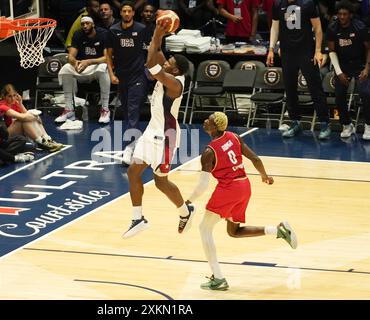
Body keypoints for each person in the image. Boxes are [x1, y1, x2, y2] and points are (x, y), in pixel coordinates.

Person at [185, 112, 297, 290]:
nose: (206, 121)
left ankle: (218, 278)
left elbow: (203, 186)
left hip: (228, 190)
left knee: (204, 229)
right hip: (244, 187)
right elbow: (255, 158)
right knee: (234, 231)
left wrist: (188, 200)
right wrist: (264, 177)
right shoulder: (234, 137)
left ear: (214, 127)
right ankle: (277, 230)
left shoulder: (209, 151)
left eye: (209, 120)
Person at [123, 18, 192, 239]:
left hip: (165, 137)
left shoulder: (175, 84)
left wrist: (155, 35)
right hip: (152, 131)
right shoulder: (170, 72)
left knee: (161, 182)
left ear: (176, 69)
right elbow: (158, 55)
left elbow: (151, 65)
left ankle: (184, 212)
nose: (166, 62)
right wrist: (159, 34)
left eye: (170, 61)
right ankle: (138, 218)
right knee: (133, 172)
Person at [267, 0, 330, 139]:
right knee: (290, 89)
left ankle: (324, 123)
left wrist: (318, 50)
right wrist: (271, 49)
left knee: (315, 88)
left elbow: (318, 28)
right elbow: (274, 27)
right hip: (288, 53)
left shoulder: (307, 3)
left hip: (306, 52)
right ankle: (295, 122)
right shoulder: (278, 4)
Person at [105, 1, 149, 165]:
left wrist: (148, 67)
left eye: (129, 11)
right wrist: (111, 74)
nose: (127, 14)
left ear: (133, 13)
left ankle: (130, 147)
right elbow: (108, 54)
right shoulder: (113, 30)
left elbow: (150, 49)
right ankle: (136, 142)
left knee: (132, 110)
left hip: (137, 76)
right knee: (126, 110)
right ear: (121, 13)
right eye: (124, 11)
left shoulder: (141, 29)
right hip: (121, 76)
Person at [327, 0, 370, 140]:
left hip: (360, 64)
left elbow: (369, 48)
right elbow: (332, 51)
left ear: (350, 15)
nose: (342, 17)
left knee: (365, 92)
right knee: (339, 95)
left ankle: (368, 125)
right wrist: (338, 72)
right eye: (340, 14)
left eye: (345, 14)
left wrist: (367, 68)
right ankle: (346, 124)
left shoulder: (359, 27)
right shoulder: (333, 28)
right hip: (343, 65)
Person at [57, 16, 112, 124]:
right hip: (82, 66)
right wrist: (75, 62)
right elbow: (71, 56)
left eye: (87, 23)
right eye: (83, 24)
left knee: (103, 68)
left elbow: (107, 58)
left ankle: (105, 109)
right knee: (66, 68)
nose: (85, 26)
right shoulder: (78, 34)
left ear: (93, 24)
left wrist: (89, 62)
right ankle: (69, 109)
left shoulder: (103, 34)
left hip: (96, 65)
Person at [0, 84, 64, 152]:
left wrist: (20, 104)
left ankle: (47, 139)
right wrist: (35, 117)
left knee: (30, 118)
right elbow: (23, 117)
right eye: (9, 96)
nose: (13, 98)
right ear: (4, 96)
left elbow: (27, 115)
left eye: (14, 95)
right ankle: (40, 142)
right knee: (22, 120)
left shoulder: (15, 103)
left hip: (14, 132)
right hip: (3, 137)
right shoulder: (2, 106)